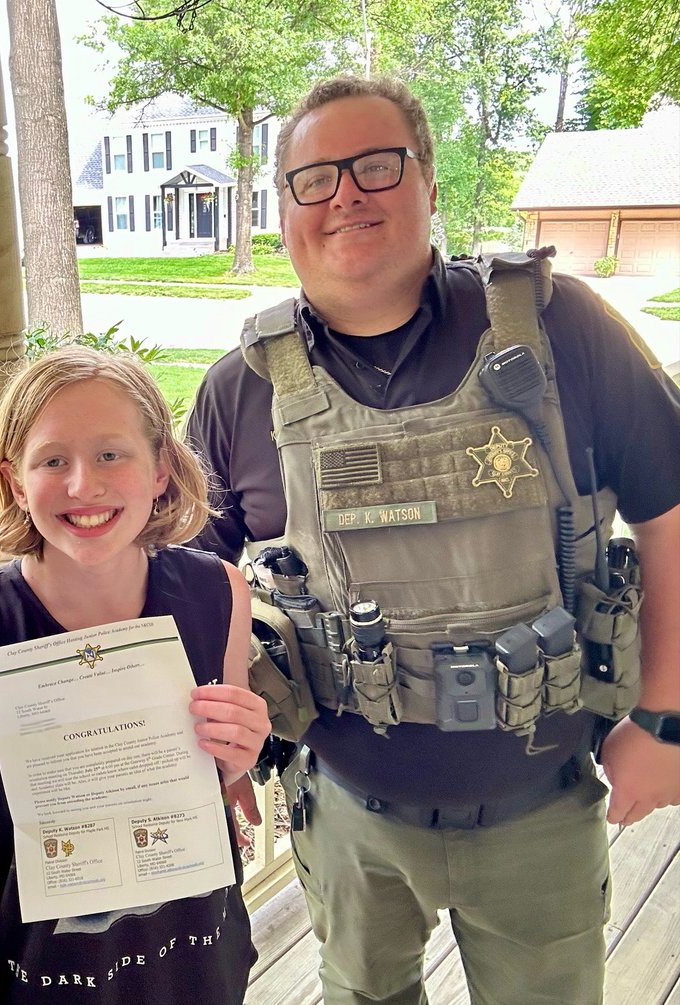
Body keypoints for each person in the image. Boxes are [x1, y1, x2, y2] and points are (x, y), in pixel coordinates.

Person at [186, 75, 680, 1005]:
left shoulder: (561, 325)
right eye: (314, 177)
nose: (346, 194)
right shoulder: (240, 389)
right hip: (346, 816)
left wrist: (665, 718)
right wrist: (208, 747)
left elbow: (672, 512)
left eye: (376, 165)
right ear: (283, 205)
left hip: (542, 807)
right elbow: (197, 577)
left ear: (430, 185)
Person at [0, 346, 270, 1004]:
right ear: (16, 481)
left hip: (196, 963)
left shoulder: (220, 593)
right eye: (52, 460)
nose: (83, 484)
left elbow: (219, 780)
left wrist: (240, 753)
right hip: (47, 980)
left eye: (111, 453)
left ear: (160, 468)